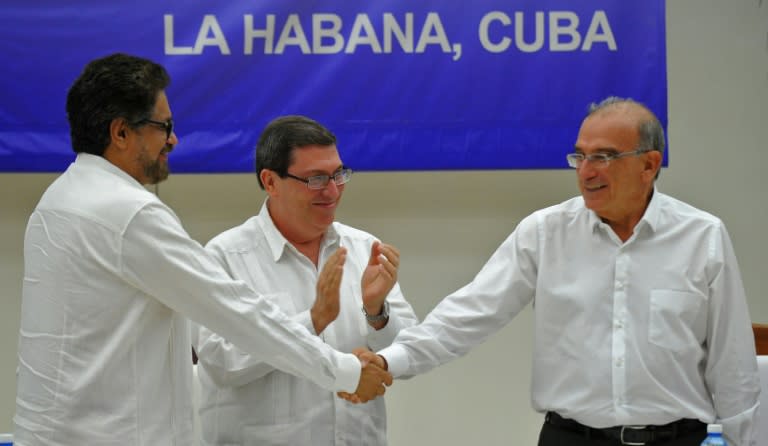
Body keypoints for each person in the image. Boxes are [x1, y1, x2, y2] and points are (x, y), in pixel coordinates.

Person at [14, 53, 391, 446]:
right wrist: (345, 372)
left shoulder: (57, 200)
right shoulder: (129, 214)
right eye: (164, 126)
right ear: (121, 133)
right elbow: (238, 315)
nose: (173, 140)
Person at [363, 97, 761, 445]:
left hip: (679, 439)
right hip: (572, 440)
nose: (586, 171)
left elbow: (732, 363)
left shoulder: (701, 236)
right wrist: (390, 361)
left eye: (603, 157)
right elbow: (467, 316)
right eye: (579, 156)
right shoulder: (545, 233)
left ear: (649, 164)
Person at [194, 115, 419, 445]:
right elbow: (221, 363)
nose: (332, 191)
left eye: (338, 174)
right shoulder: (225, 257)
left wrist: (376, 312)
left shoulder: (363, 249)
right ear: (270, 182)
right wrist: (311, 321)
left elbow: (411, 356)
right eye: (315, 179)